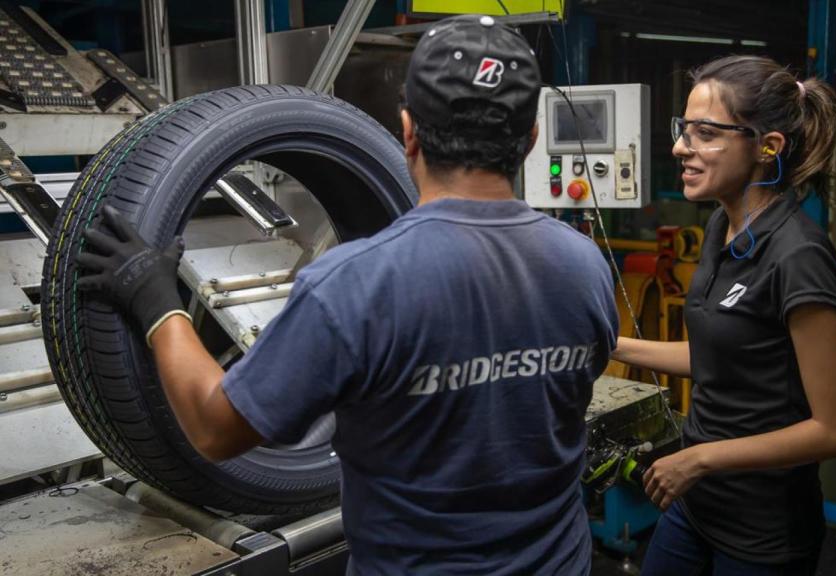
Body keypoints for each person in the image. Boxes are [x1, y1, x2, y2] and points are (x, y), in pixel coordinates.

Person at [77, 15, 618, 575]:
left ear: (408, 130)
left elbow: (215, 430)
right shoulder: (584, 264)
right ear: (530, 139)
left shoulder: (358, 282)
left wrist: (156, 300)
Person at [612, 55, 836, 575]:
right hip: (697, 505)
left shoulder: (798, 255)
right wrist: (607, 345)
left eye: (705, 133)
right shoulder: (718, 231)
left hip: (763, 531)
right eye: (683, 130)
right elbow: (719, 356)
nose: (681, 147)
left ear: (767, 147)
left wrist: (699, 458)